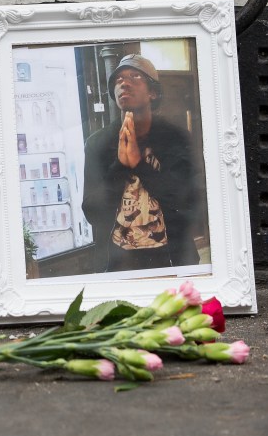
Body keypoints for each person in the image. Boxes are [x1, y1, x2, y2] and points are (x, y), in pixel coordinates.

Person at [81, 54, 201, 273]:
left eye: (135, 76)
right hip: (117, 263)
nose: (124, 82)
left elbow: (188, 203)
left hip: (171, 259)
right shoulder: (97, 144)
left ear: (153, 93)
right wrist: (120, 165)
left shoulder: (174, 138)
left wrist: (140, 164)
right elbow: (92, 212)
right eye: (118, 79)